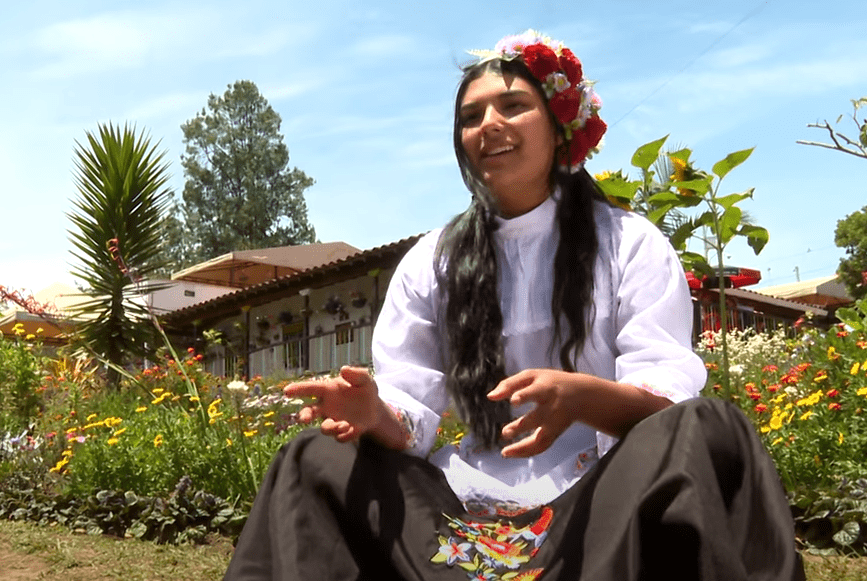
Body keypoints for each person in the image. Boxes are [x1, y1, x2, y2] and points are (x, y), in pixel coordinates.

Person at [223, 30, 805, 581]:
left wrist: (583, 398)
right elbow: (411, 403)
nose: (487, 126)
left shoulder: (629, 243)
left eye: (511, 107)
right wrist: (373, 413)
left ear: (559, 129)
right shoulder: (434, 260)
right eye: (470, 117)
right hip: (458, 516)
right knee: (316, 454)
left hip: (600, 512)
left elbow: (667, 396)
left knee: (710, 425)